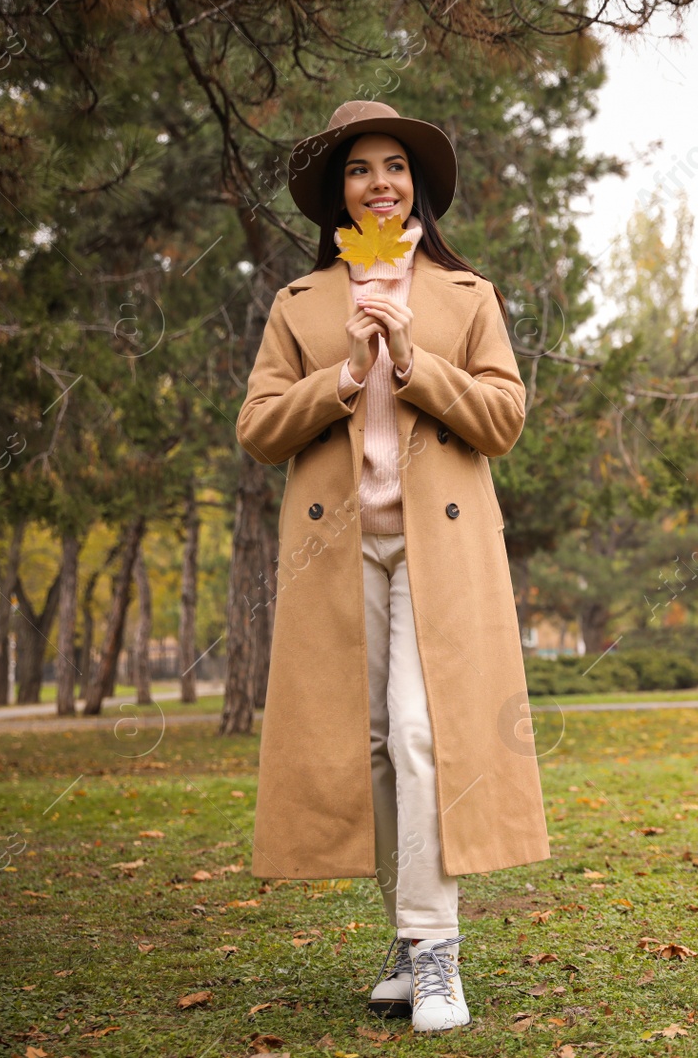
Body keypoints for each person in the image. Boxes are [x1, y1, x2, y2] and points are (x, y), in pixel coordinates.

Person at [236, 100, 552, 1034]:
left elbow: (503, 420)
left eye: (395, 167)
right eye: (361, 169)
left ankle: (440, 954)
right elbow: (257, 430)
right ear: (339, 192)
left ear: (417, 184)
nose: (381, 182)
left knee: (423, 733)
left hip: (439, 548)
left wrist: (413, 361)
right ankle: (409, 942)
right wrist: (342, 376)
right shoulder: (300, 304)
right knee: (368, 745)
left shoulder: (467, 296)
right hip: (339, 550)